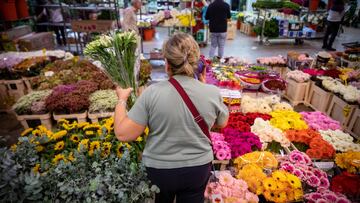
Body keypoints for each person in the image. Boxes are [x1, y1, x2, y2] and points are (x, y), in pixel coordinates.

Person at [114, 33, 229, 203]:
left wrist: (122, 99)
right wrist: (203, 87)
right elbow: (222, 123)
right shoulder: (212, 92)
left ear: (167, 64)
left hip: (160, 170)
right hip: (198, 168)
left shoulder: (151, 93)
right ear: (196, 62)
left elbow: (123, 134)